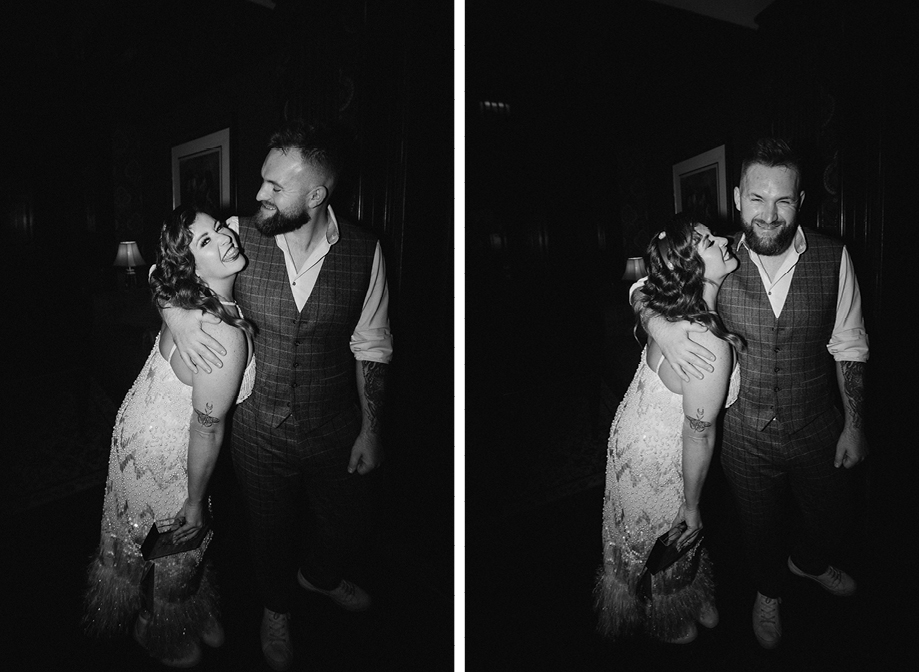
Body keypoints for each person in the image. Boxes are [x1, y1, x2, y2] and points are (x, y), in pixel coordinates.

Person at [163, 119, 392, 671]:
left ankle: (318, 578)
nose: (259, 194)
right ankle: (276, 609)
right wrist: (180, 317)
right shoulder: (236, 233)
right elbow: (165, 268)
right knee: (267, 528)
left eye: (275, 186)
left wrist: (370, 429)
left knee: (346, 521)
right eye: (262, 181)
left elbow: (373, 347)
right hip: (256, 426)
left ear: (316, 195)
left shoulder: (366, 251)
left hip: (335, 422)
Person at [637, 138, 868, 650]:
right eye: (757, 199)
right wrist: (663, 327)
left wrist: (854, 424)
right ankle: (768, 592)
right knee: (756, 525)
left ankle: (808, 564)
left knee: (833, 511)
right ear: (739, 197)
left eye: (783, 199)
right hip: (742, 432)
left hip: (816, 422)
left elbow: (849, 344)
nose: (769, 213)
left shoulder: (835, 257)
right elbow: (642, 283)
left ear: (800, 201)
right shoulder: (714, 256)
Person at [83, 204, 255, 667]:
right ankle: (156, 627)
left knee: (172, 544)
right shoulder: (221, 335)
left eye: (219, 228)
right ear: (192, 268)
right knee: (179, 539)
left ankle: (186, 610)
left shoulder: (186, 296)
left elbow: (159, 270)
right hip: (161, 452)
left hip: (140, 427)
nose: (224, 237)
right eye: (206, 242)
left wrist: (175, 313)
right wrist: (196, 499)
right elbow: (208, 426)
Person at [595, 213, 742, 644]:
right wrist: (694, 503)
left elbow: (640, 287)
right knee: (675, 531)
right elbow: (698, 433)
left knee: (653, 535)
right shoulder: (706, 345)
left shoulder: (666, 305)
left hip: (629, 435)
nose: (721, 239)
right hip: (657, 458)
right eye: (707, 241)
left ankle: (688, 593)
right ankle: (669, 608)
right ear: (691, 269)